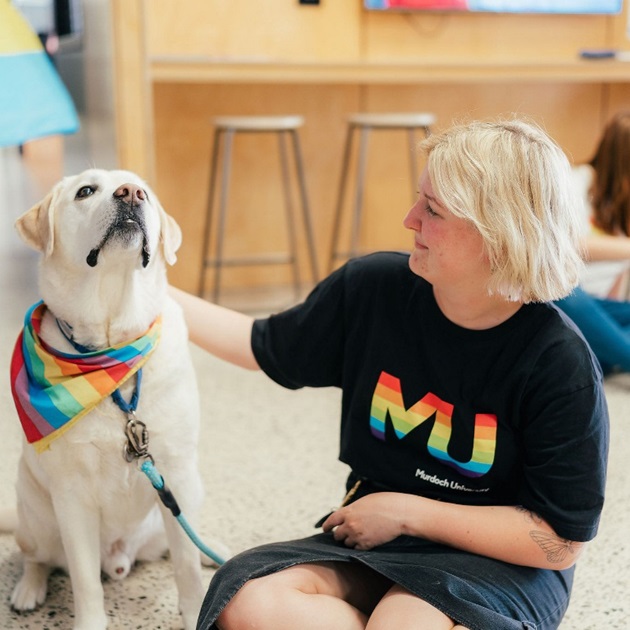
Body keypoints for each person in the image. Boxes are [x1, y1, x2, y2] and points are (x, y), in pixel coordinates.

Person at [171, 118, 609, 630]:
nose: (408, 219)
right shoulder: (372, 290)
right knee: (249, 603)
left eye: (433, 210)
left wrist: (407, 511)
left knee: (404, 620)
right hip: (382, 542)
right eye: (418, 198)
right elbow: (259, 344)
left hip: (501, 563)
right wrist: (148, 294)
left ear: (498, 236)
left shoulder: (560, 362)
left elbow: (558, 542)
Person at [554, 111, 630, 375]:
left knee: (607, 329)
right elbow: (564, 245)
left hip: (599, 307)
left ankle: (598, 353)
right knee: (563, 292)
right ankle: (611, 354)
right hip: (565, 297)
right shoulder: (573, 182)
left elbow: (621, 272)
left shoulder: (624, 201)